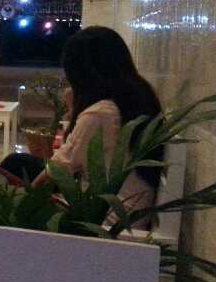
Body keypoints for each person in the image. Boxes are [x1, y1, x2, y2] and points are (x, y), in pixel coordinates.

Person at [24, 27, 163, 221]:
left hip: (103, 222)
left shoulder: (101, 114)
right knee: (21, 163)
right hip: (113, 209)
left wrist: (19, 208)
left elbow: (56, 170)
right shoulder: (137, 97)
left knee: (7, 167)